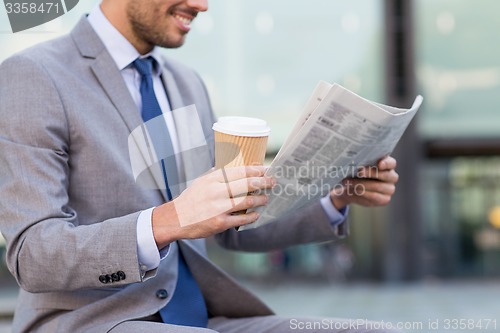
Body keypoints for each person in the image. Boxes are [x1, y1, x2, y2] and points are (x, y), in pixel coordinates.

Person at [0, 0, 401, 332]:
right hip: (92, 320)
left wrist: (336, 197)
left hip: (201, 317)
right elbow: (34, 254)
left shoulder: (184, 82)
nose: (201, 5)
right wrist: (170, 220)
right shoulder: (35, 76)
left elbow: (231, 224)